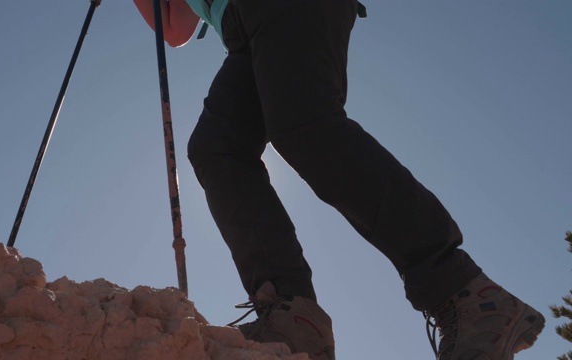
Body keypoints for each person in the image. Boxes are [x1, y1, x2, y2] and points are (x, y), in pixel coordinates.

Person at [134, 0, 545, 359]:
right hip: (240, 22)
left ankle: (467, 292)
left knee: (304, 125)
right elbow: (174, 28)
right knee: (217, 148)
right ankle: (294, 318)